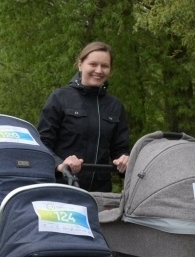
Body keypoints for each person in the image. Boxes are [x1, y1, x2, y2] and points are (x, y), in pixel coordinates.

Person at [37, 41, 130, 192]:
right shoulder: (60, 97)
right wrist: (60, 164)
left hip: (100, 194)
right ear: (80, 64)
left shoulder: (115, 106)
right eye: (93, 64)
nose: (99, 70)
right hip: (60, 189)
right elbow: (42, 144)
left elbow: (120, 150)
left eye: (104, 66)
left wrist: (124, 160)